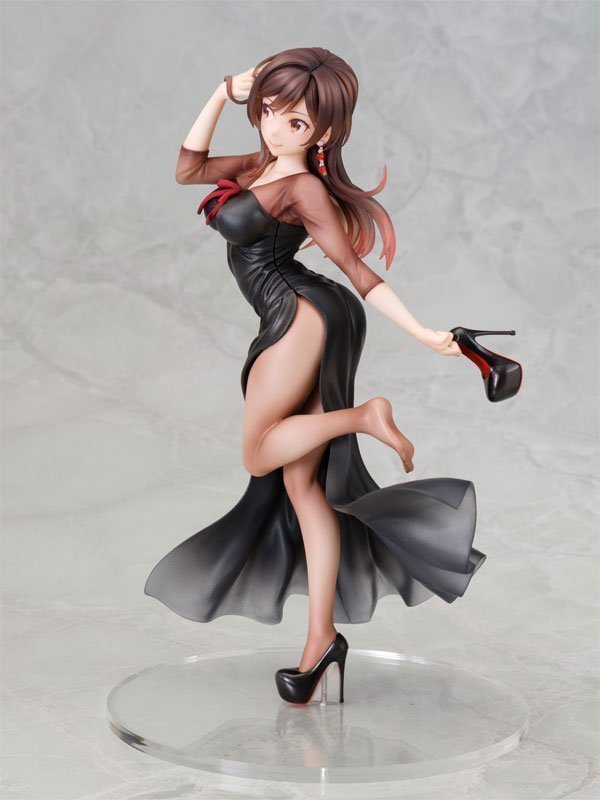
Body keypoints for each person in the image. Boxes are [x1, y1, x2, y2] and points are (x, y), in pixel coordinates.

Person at [144, 47, 486, 705]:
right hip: (296, 312)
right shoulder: (258, 165)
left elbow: (355, 268)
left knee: (258, 453)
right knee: (304, 489)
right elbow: (187, 168)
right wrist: (221, 92)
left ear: (325, 132)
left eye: (296, 122)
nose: (276, 128)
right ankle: (320, 641)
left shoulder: (302, 188)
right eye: (270, 111)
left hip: (300, 313)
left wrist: (422, 332)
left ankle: (363, 416)